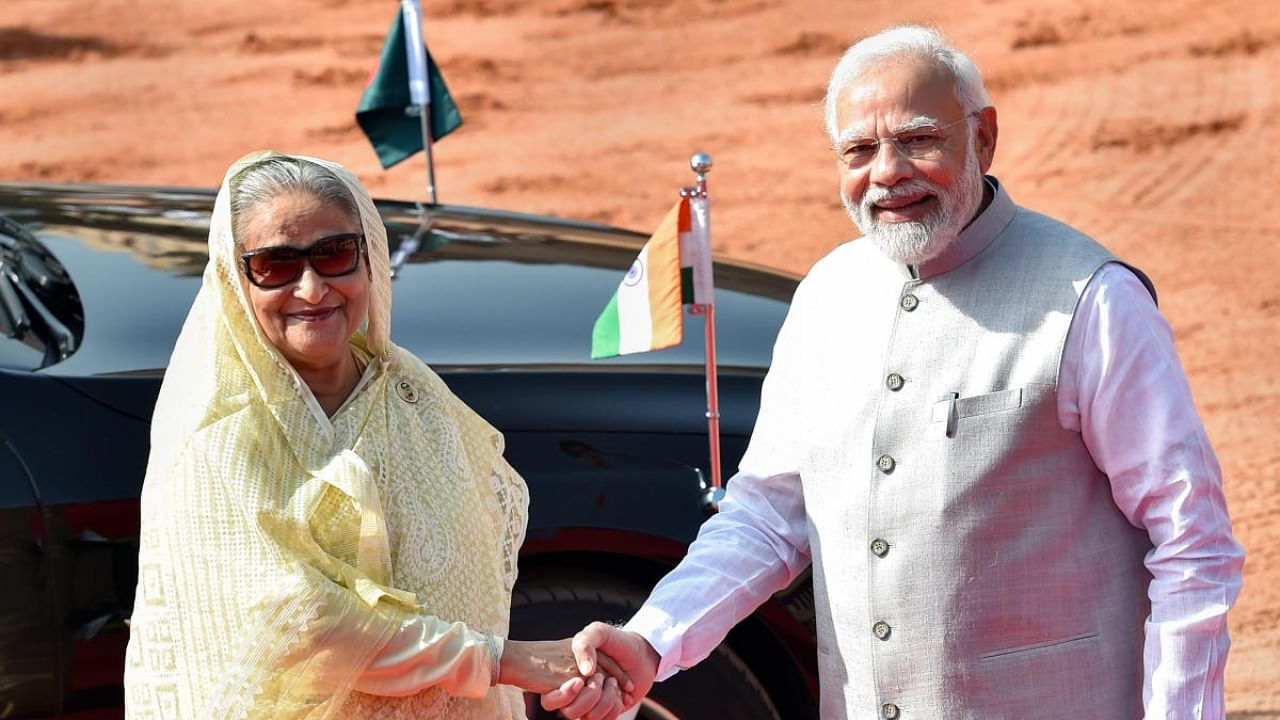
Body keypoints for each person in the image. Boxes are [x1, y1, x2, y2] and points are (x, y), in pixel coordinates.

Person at [543, 24, 1245, 720]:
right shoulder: (825, 295)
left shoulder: (1091, 299)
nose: (887, 172)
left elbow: (1191, 540)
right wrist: (652, 637)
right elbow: (766, 516)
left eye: (918, 140)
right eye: (859, 149)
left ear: (984, 137)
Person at [122, 151, 628, 718]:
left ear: (370, 259)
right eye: (275, 265)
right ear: (236, 282)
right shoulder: (218, 436)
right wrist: (504, 661)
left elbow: (480, 530)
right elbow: (299, 623)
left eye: (334, 254)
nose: (312, 289)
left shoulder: (408, 387)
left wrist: (571, 666)